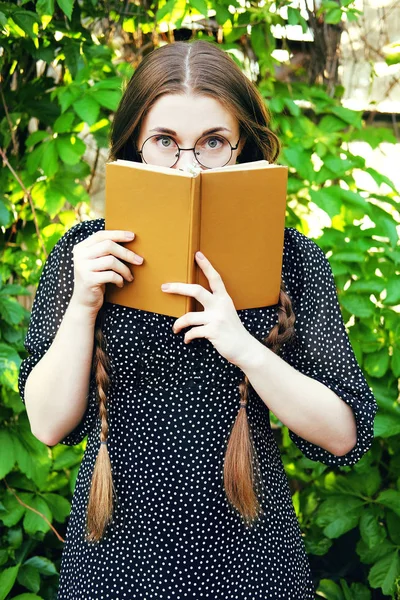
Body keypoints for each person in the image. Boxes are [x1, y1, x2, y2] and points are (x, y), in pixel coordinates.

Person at [18, 39, 378, 599]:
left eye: (213, 142)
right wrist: (85, 303)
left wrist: (246, 348)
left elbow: (343, 435)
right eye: (165, 142)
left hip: (251, 560)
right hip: (115, 560)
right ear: (136, 146)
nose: (187, 165)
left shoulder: (292, 257)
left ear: (242, 147)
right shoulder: (87, 252)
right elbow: (46, 424)